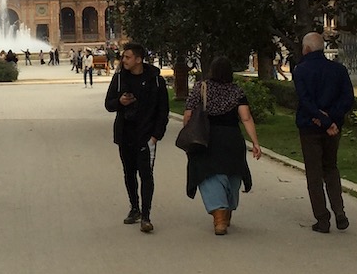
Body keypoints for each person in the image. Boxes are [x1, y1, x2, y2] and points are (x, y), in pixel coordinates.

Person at [183, 57, 262, 235]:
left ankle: (219, 216)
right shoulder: (237, 91)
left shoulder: (200, 88)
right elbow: (246, 117)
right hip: (232, 138)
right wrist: (255, 142)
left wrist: (189, 137)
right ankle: (227, 211)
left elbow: (188, 115)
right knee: (233, 174)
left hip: (207, 139)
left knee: (209, 175)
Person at [104, 43, 169, 232]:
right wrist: (120, 102)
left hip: (147, 135)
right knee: (129, 172)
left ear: (139, 59)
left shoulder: (155, 80)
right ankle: (135, 208)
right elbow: (108, 104)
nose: (123, 60)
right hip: (125, 134)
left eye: (127, 57)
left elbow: (163, 110)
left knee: (146, 175)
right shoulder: (119, 79)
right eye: (123, 57)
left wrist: (156, 135)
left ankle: (146, 217)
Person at [293, 32, 354, 233]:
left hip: (310, 127)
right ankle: (339, 211)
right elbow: (347, 99)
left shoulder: (301, 70)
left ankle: (322, 218)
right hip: (333, 130)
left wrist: (323, 120)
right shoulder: (338, 70)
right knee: (331, 168)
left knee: (314, 173)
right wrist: (333, 120)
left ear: (307, 49)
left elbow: (305, 99)